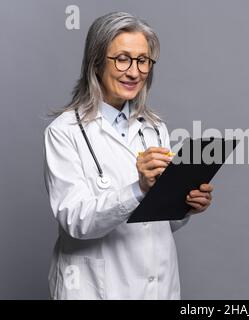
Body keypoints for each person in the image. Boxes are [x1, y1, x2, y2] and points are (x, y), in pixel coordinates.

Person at [43, 12, 213, 300]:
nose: (134, 72)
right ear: (96, 62)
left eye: (143, 60)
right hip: (95, 288)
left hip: (158, 286)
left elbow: (159, 222)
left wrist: (185, 205)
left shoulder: (154, 127)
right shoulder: (64, 131)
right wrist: (139, 188)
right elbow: (75, 220)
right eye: (122, 58)